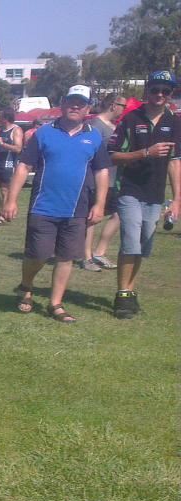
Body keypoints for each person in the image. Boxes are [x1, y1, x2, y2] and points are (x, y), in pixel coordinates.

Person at [1, 85, 112, 324]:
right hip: (43, 206)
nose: (75, 106)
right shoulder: (44, 133)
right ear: (63, 104)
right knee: (38, 254)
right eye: (71, 101)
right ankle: (26, 285)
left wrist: (100, 204)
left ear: (88, 109)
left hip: (77, 209)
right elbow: (23, 166)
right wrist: (11, 200)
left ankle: (55, 304)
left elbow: (102, 171)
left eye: (81, 103)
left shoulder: (94, 136)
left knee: (66, 257)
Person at [105, 71, 180, 319]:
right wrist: (146, 153)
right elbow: (113, 155)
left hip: (155, 193)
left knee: (143, 244)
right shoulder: (130, 119)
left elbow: (175, 162)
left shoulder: (174, 122)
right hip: (129, 189)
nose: (160, 94)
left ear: (171, 94)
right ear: (147, 91)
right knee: (130, 241)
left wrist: (177, 199)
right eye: (155, 89)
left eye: (165, 91)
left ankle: (131, 290)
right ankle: (122, 294)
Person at [80, 94, 128, 271]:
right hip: (96, 180)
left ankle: (99, 252)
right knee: (92, 218)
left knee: (120, 213)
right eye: (123, 106)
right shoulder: (94, 126)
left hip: (114, 179)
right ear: (113, 105)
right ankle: (86, 257)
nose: (124, 110)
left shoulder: (114, 126)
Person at [0, 110, 23, 224]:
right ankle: (3, 209)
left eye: (0, 116)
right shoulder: (0, 130)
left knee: (4, 191)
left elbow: (18, 148)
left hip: (8, 164)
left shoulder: (16, 130)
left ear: (6, 118)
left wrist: (2, 144)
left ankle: (2, 216)